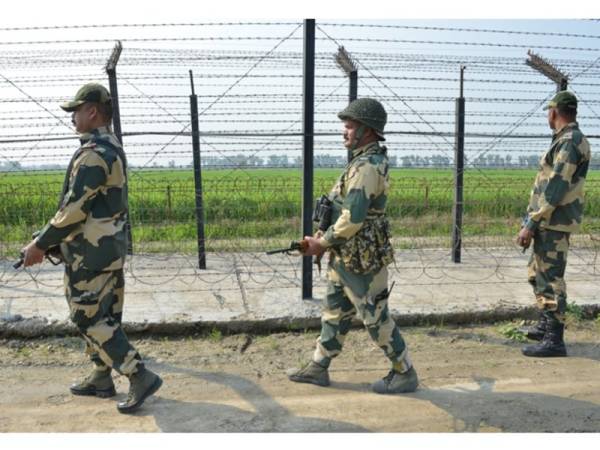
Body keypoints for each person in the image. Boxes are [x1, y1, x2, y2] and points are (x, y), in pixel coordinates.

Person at [20, 83, 162, 413]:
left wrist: (40, 244)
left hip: (90, 256)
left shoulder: (94, 155)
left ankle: (138, 374)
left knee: (88, 318)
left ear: (92, 112)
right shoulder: (110, 146)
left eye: (76, 111)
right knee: (107, 315)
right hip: (106, 250)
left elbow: (74, 210)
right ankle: (101, 376)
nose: (73, 118)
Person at [287, 98, 418, 394]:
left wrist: (321, 243)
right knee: (335, 310)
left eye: (349, 127)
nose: (344, 132)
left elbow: (354, 217)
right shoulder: (361, 162)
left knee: (374, 315)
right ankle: (319, 366)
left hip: (361, 260)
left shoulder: (367, 166)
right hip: (346, 254)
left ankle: (404, 372)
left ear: (366, 131)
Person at [517, 90, 591, 357]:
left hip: (553, 222)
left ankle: (554, 340)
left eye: (549, 112)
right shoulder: (565, 140)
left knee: (551, 279)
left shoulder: (570, 141)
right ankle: (546, 324)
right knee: (537, 274)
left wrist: (532, 222)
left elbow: (556, 187)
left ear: (554, 112)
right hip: (548, 220)